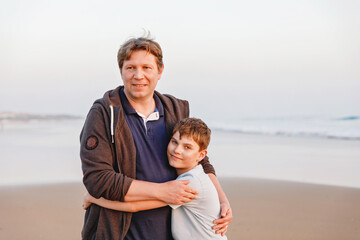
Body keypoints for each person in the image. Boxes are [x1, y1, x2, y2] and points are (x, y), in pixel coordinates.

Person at [80, 34, 232, 240]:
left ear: (160, 71)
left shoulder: (175, 110)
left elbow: (200, 160)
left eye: (146, 68)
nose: (138, 75)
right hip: (119, 232)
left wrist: (222, 200)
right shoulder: (105, 113)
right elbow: (98, 179)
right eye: (130, 67)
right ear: (122, 71)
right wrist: (162, 191)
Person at [83, 118, 227, 240]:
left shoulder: (190, 183)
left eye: (187, 147)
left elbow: (134, 207)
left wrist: (94, 198)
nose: (177, 150)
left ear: (201, 155)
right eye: (174, 142)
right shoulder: (191, 176)